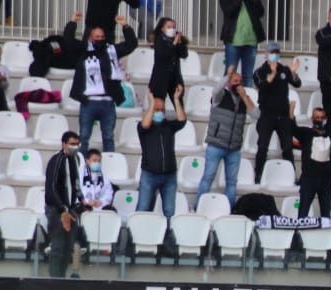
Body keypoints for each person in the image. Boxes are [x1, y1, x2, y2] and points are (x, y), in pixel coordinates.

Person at [65, 16, 137, 154]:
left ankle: (110, 164)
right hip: (88, 102)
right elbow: (68, 41)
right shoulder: (83, 49)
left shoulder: (112, 50)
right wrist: (72, 22)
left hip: (108, 102)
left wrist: (126, 26)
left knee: (108, 137)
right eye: (96, 36)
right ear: (90, 38)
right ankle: (82, 166)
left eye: (102, 36)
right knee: (84, 136)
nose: (99, 39)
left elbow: (131, 44)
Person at [196, 69, 256, 209]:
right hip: (216, 145)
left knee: (232, 182)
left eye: (240, 81)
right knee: (208, 178)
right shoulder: (221, 96)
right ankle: (198, 207)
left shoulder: (243, 99)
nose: (238, 84)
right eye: (235, 81)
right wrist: (227, 76)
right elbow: (216, 90)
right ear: (228, 82)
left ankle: (230, 210)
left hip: (234, 149)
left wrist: (245, 96)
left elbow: (256, 114)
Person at [252, 43, 300, 182]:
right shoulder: (259, 71)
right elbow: (261, 87)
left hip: (283, 115)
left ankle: (291, 175)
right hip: (266, 114)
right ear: (265, 54)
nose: (274, 54)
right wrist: (270, 77)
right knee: (262, 147)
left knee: (287, 147)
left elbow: (297, 84)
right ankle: (258, 175)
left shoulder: (284, 70)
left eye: (276, 52)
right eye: (271, 52)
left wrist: (293, 73)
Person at [137, 88, 188, 217]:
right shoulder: (143, 127)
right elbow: (145, 124)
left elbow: (182, 120)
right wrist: (152, 103)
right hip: (149, 175)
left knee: (169, 211)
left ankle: (167, 235)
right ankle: (137, 236)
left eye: (162, 110)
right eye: (156, 110)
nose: (160, 112)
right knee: (143, 208)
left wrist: (176, 99)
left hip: (169, 176)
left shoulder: (169, 126)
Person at [43, 132, 85, 279]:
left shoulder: (76, 160)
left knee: (68, 248)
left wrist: (82, 201)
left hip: (71, 209)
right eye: (72, 144)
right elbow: (51, 188)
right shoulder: (57, 161)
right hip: (57, 210)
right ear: (64, 144)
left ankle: (62, 277)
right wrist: (62, 208)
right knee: (58, 247)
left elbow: (76, 184)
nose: (75, 147)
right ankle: (55, 280)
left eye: (77, 144)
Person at [218, 0, 265, 87]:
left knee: (248, 76)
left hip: (251, 42)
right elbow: (229, 11)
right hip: (233, 42)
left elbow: (260, 13)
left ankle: (246, 103)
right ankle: (226, 102)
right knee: (230, 74)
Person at [294, 106, 331, 219]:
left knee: (326, 215)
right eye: (316, 117)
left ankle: (326, 236)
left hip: (326, 180)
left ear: (325, 119)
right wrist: (291, 111)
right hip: (309, 179)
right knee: (303, 213)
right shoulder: (306, 133)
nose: (319, 120)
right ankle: (298, 235)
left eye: (321, 117)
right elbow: (292, 128)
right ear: (312, 118)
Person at [147, 17, 188, 103]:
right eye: (169, 27)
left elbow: (184, 55)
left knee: (179, 104)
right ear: (162, 29)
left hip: (174, 78)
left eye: (173, 27)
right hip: (160, 79)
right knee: (158, 106)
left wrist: (179, 43)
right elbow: (164, 55)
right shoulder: (159, 41)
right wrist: (174, 44)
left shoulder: (177, 40)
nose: (172, 30)